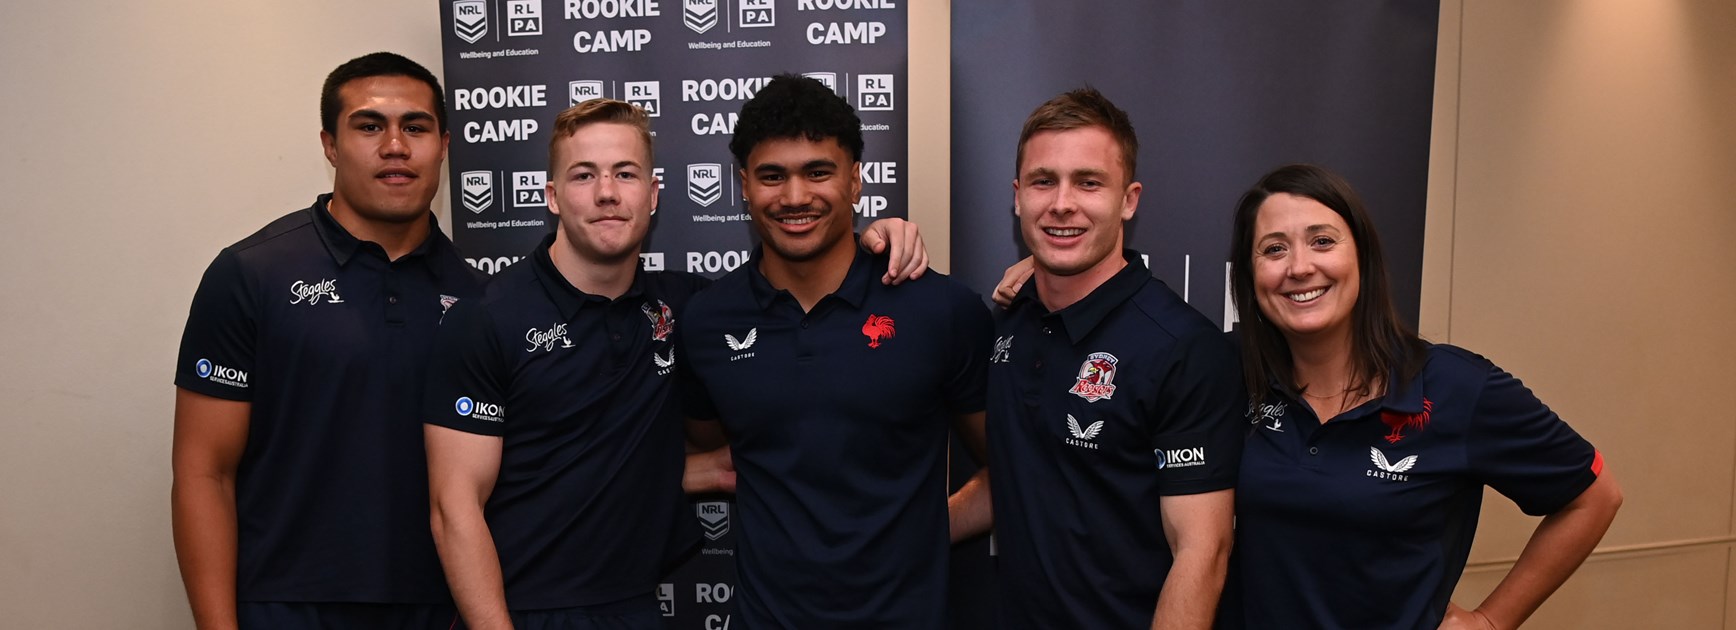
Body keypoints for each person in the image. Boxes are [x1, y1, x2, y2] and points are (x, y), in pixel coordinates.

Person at [422, 98, 934, 629]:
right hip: (521, 610)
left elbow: (796, 288)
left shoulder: (690, 310)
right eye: (583, 175)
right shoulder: (485, 319)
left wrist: (883, 236)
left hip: (639, 606)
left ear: (653, 194)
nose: (606, 193)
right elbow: (452, 509)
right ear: (551, 196)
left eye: (626, 173)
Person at [1222, 163, 1623, 629]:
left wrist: (1491, 621)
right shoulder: (1227, 375)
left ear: (1363, 257)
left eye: (1323, 241)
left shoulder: (1456, 386)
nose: (1300, 267)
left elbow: (1595, 496)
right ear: (1250, 276)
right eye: (1274, 249)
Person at [171, 52, 480, 629]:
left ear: (443, 144)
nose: (395, 145)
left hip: (443, 607)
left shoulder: (482, 297)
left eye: (415, 127)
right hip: (284, 606)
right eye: (369, 126)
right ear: (330, 145)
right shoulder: (253, 274)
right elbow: (202, 473)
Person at [676, 74, 993, 628]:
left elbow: (1011, 468)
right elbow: (715, 447)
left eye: (818, 172)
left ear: (855, 181)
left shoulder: (940, 310)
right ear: (744, 185)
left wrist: (917, 533)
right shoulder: (706, 322)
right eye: (772, 175)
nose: (795, 197)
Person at [969, 88, 1245, 629]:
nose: (1062, 203)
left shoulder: (1183, 348)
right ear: (1017, 195)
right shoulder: (1011, 318)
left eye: (1088, 182)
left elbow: (1203, 552)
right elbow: (1014, 479)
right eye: (1044, 181)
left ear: (1129, 199)